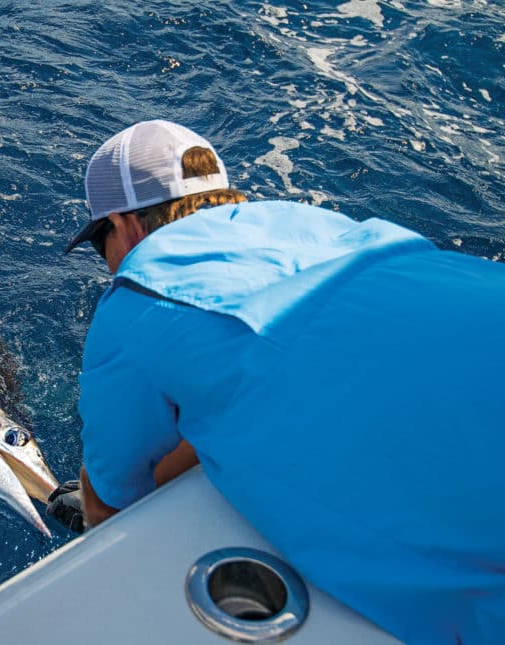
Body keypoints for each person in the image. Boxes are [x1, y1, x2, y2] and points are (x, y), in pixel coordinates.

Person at [46, 119, 505, 644]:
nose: (106, 262)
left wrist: (85, 500)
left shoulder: (138, 296)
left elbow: (111, 507)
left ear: (125, 225)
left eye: (98, 240)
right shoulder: (321, 223)